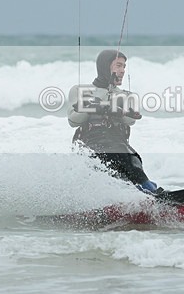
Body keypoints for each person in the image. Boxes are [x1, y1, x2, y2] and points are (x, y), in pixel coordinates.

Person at [67, 49, 163, 195]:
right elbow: (73, 121)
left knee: (133, 160)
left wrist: (115, 106)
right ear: (105, 67)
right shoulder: (82, 91)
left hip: (118, 146)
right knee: (118, 155)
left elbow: (130, 120)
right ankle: (148, 189)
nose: (123, 70)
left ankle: (147, 192)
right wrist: (95, 105)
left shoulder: (125, 95)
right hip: (91, 144)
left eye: (124, 66)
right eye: (118, 65)